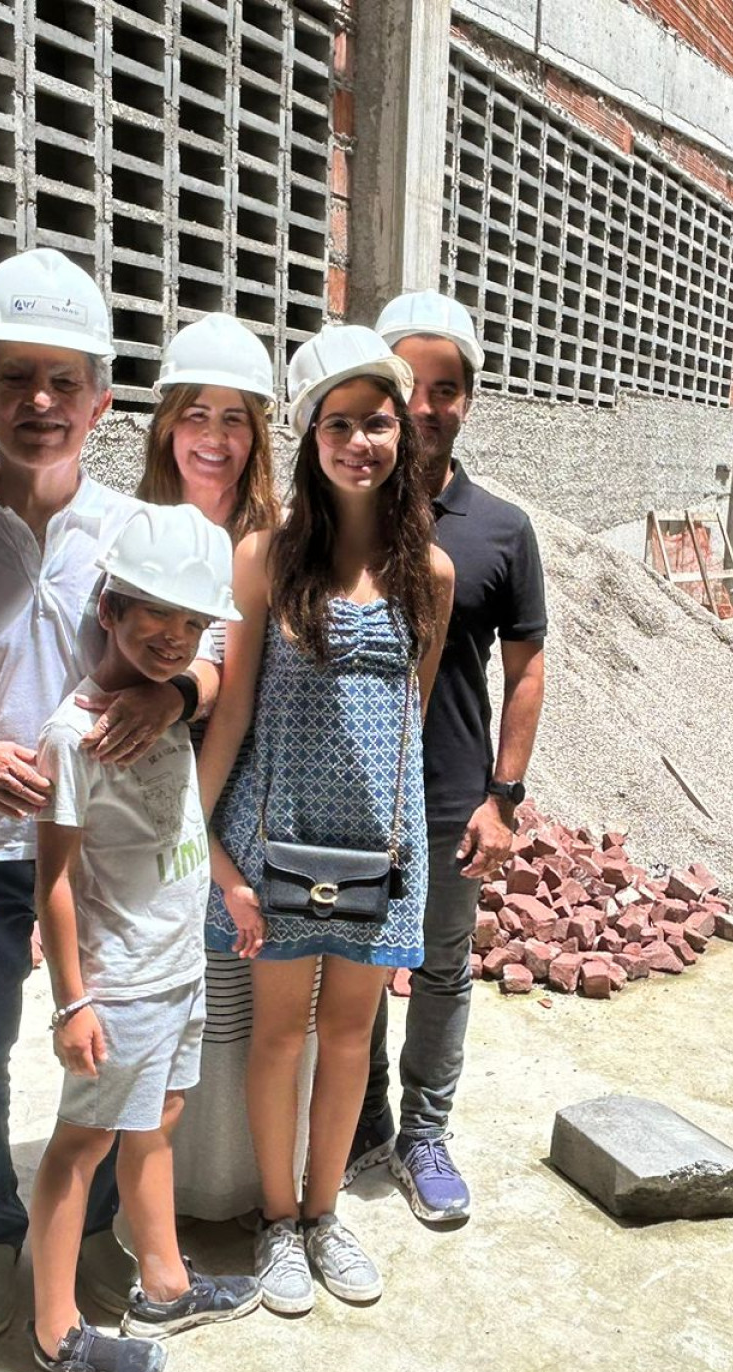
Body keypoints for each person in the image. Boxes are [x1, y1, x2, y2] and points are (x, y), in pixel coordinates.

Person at [0, 249, 210, 1343]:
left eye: (65, 381)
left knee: (104, 1048)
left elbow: (217, 646)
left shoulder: (133, 530)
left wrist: (182, 694)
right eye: (16, 377)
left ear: (103, 402)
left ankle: (96, 1233)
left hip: (101, 853)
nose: (41, 402)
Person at [198, 324, 456, 1313]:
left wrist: (411, 863)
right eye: (339, 424)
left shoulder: (428, 576)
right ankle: (275, 1227)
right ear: (310, 437)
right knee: (278, 1038)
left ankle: (323, 1215)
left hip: (376, 851)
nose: (360, 442)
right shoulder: (265, 558)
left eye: (378, 423)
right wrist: (204, 837)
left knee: (350, 1038)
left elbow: (411, 723)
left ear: (403, 434)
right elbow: (231, 711)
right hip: (273, 843)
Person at [27, 503, 260, 1372]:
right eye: (155, 613)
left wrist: (224, 884)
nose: (175, 636)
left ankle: (163, 1284)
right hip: (119, 985)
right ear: (108, 608)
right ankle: (56, 1334)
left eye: (193, 620)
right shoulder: (72, 734)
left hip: (178, 969)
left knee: (157, 1125)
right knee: (78, 1149)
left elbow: (177, 829)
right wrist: (73, 1002)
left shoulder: (165, 710)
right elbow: (53, 880)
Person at [347, 291, 548, 1224]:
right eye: (410, 386)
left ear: (469, 400)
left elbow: (527, 665)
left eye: (448, 388)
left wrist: (502, 797)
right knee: (349, 961)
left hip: (447, 792)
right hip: (345, 791)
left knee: (437, 966)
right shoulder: (339, 510)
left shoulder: (501, 529)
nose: (427, 407)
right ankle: (361, 1125)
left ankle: (424, 1132)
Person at [132, 314, 312, 1224]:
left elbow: (249, 691)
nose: (214, 437)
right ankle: (158, 1213)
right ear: (167, 422)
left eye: (235, 417)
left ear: (259, 435)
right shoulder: (129, 532)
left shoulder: (279, 539)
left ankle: (242, 1193)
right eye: (196, 413)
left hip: (245, 802)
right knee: (154, 1007)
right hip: (140, 806)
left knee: (243, 1004)